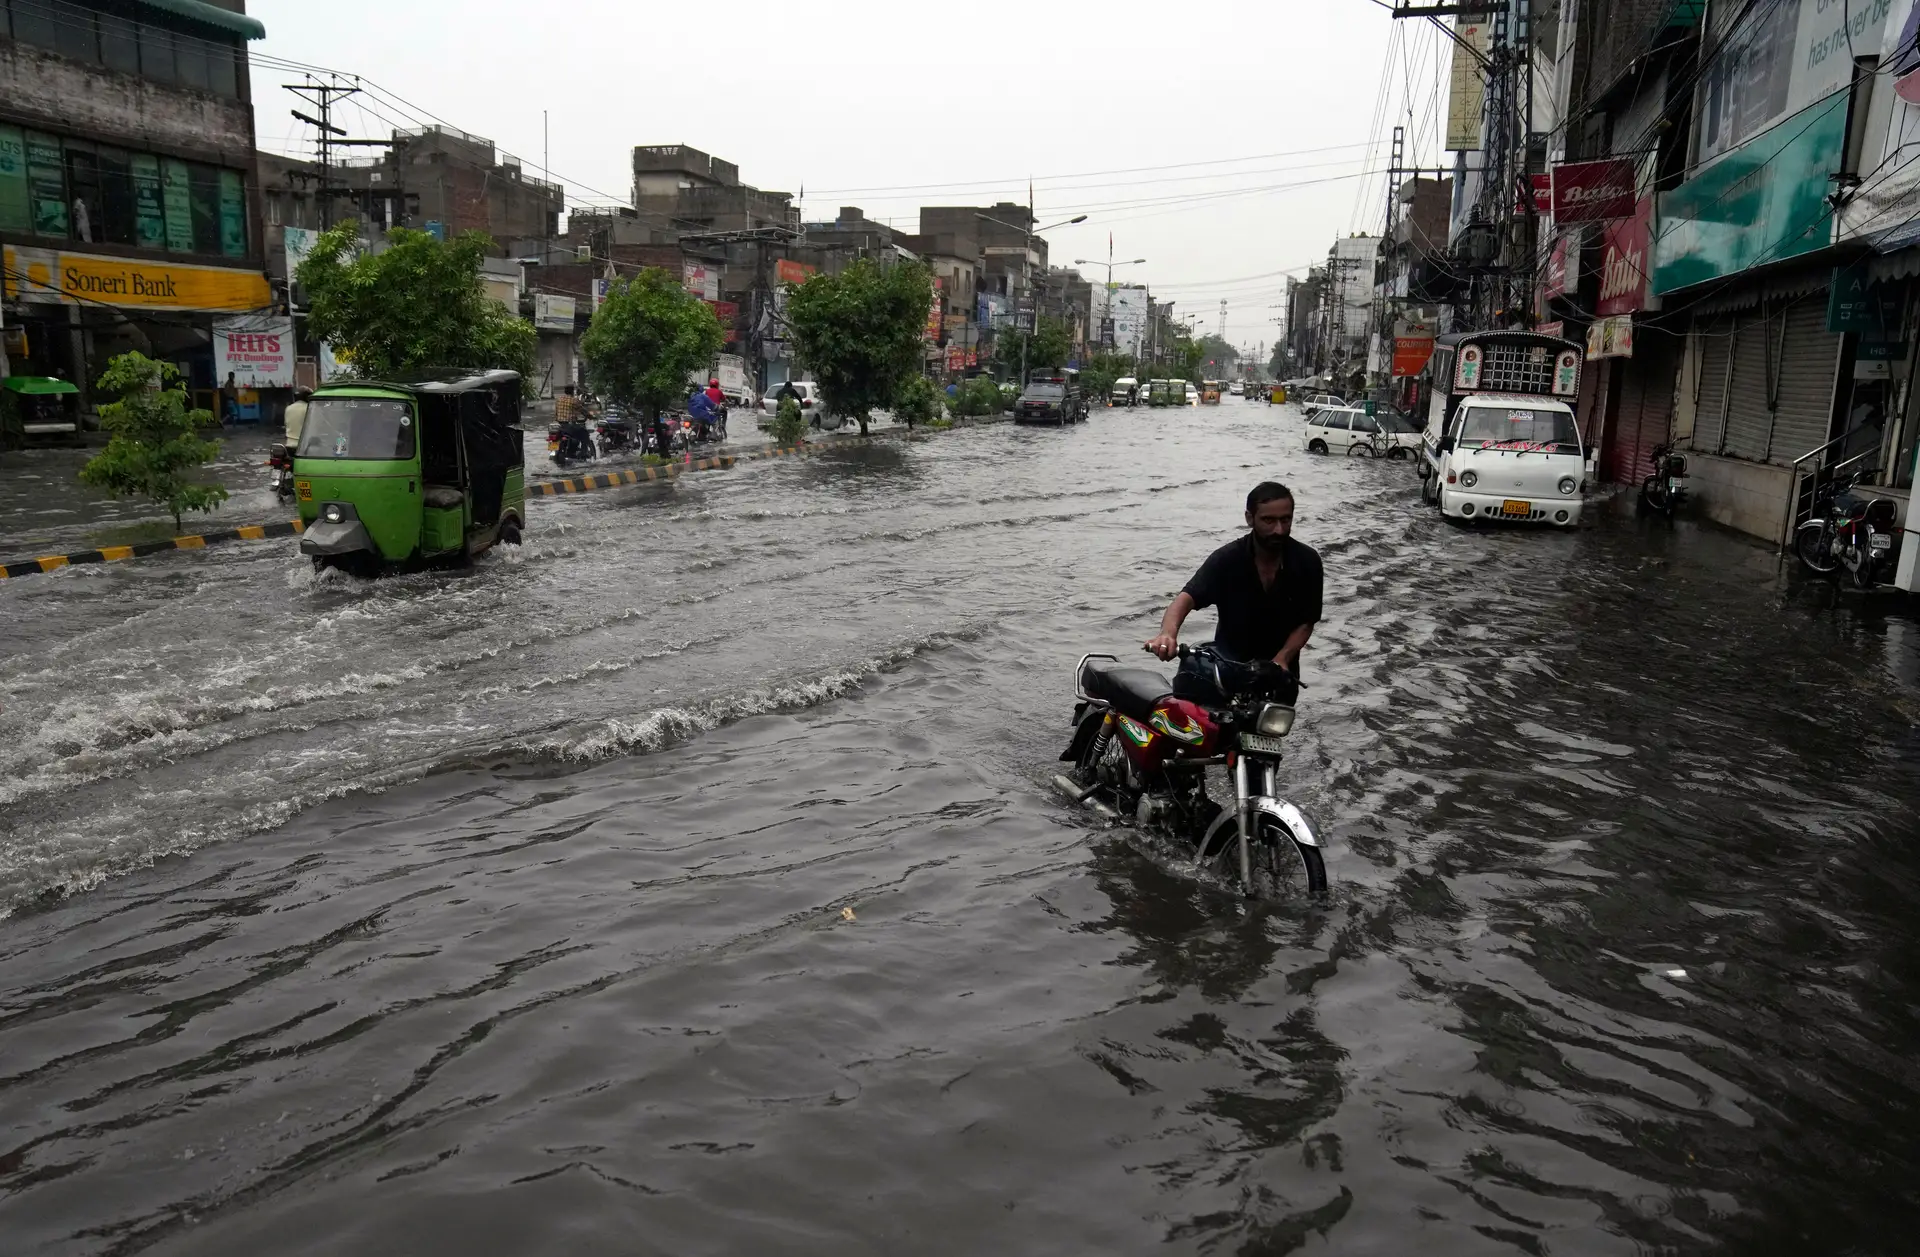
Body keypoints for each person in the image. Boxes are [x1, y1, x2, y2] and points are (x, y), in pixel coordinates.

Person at [1146, 482, 1322, 678]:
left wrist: (1281, 659)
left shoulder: (1307, 561)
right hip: (1227, 667)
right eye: (1268, 520)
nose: (1279, 530)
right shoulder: (1227, 559)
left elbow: (1306, 621)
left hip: (1280, 672)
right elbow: (1186, 598)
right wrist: (1168, 634)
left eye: (1285, 520)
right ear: (1250, 518)